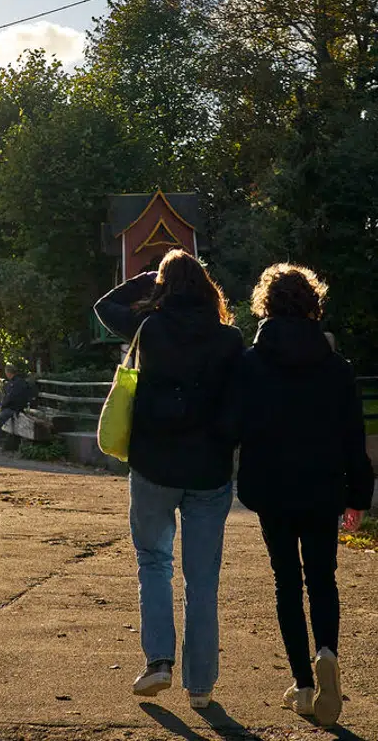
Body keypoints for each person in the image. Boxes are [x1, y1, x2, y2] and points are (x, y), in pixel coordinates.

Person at [92, 249, 245, 711]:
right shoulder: (230, 339)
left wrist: (149, 279)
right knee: (202, 580)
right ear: (207, 289)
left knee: (154, 562)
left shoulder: (149, 328)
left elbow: (104, 306)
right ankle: (201, 686)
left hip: (154, 465)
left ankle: (158, 662)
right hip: (209, 471)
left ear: (164, 287)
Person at [226, 263, 373, 727]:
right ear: (313, 305)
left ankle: (303, 685)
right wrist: (358, 496)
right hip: (323, 486)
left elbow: (234, 425)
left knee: (286, 582)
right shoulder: (336, 368)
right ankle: (326, 651)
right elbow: (354, 436)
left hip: (271, 487)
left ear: (265, 305)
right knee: (323, 578)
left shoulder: (249, 364)